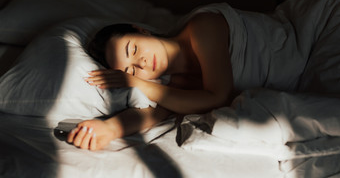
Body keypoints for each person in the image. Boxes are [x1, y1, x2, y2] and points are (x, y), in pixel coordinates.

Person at [67, 11, 235, 150]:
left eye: (133, 49)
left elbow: (219, 97)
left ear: (141, 30)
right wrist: (107, 129)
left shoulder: (203, 26)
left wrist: (137, 82)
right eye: (131, 71)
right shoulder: (172, 84)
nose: (141, 63)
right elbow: (152, 113)